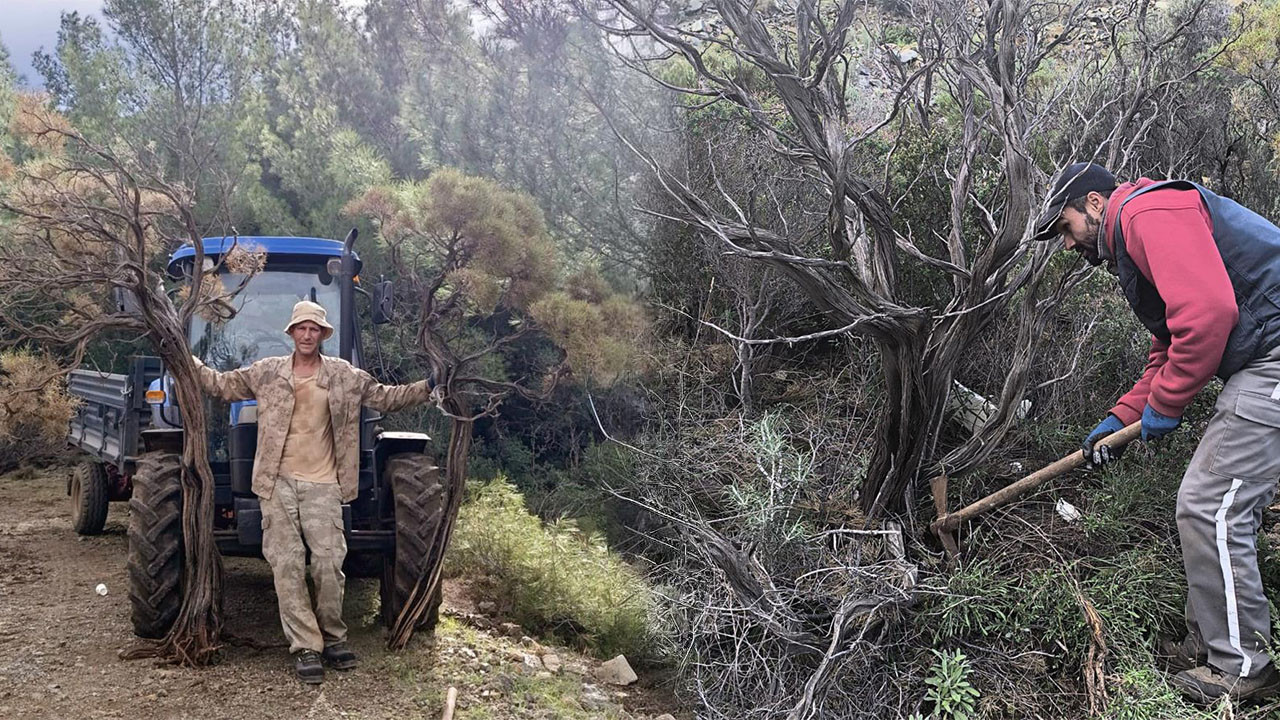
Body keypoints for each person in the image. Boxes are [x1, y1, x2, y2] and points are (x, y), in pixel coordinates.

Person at [1034, 162, 1280, 703]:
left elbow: (1210, 314)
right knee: (1213, 502)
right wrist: (1122, 418)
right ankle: (1213, 640)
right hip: (1261, 358)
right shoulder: (1136, 233)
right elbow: (1170, 347)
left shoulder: (1147, 213)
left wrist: (1168, 404)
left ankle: (1241, 665)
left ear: (1095, 204)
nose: (1068, 244)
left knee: (1210, 503)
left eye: (1066, 226)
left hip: (1272, 358)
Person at [192, 300, 434, 684]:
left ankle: (334, 637)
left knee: (327, 564)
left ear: (323, 335)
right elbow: (221, 386)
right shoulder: (266, 373)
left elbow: (386, 397)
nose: (307, 335)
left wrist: (429, 386)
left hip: (324, 484)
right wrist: (189, 361)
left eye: (314, 329)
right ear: (291, 333)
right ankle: (306, 646)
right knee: (286, 565)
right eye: (301, 328)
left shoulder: (344, 376)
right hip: (277, 483)